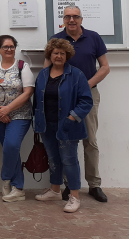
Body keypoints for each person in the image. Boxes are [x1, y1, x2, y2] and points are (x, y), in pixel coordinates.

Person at [46, 5, 110, 202]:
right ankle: (68, 184)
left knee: (90, 140)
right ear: (63, 20)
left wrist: (84, 85)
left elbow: (105, 67)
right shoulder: (56, 39)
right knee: (64, 141)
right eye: (68, 17)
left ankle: (94, 184)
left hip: (88, 95)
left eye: (75, 17)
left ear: (81, 19)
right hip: (62, 97)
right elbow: (48, 69)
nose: (71, 20)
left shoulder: (94, 37)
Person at [35, 38, 93, 213]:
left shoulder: (77, 75)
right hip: (46, 125)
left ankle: (74, 196)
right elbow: (36, 100)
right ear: (50, 55)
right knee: (53, 159)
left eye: (62, 53)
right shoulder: (43, 74)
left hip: (68, 126)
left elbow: (86, 101)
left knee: (69, 160)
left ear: (67, 55)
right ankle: (54, 191)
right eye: (55, 53)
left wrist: (71, 118)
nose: (58, 56)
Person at [0, 35, 34, 202]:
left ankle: (6, 180)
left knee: (11, 145)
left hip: (20, 115)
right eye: (5, 47)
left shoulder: (22, 66)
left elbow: (28, 92)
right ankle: (18, 188)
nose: (9, 49)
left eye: (12, 46)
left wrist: (8, 110)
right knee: (11, 150)